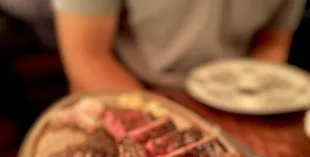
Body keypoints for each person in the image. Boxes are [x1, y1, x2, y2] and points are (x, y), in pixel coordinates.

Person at [53, 0, 305, 92]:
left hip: (231, 96)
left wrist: (246, 98)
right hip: (132, 89)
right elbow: (86, 57)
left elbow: (272, 42)